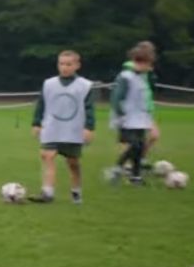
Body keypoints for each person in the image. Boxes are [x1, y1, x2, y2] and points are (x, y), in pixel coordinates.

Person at [29, 50, 95, 204]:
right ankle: (47, 193)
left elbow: (89, 109)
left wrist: (89, 128)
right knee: (48, 156)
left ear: (77, 65)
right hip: (52, 128)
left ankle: (76, 192)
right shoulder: (49, 84)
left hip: (72, 130)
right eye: (61, 64)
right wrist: (36, 123)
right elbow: (41, 104)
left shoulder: (84, 86)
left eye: (68, 64)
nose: (64, 67)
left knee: (73, 163)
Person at [109, 43, 158, 185]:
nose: (147, 67)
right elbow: (116, 98)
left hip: (140, 118)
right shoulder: (125, 76)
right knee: (135, 145)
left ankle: (136, 176)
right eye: (145, 63)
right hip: (126, 118)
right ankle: (118, 167)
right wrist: (120, 114)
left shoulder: (143, 77)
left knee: (140, 146)